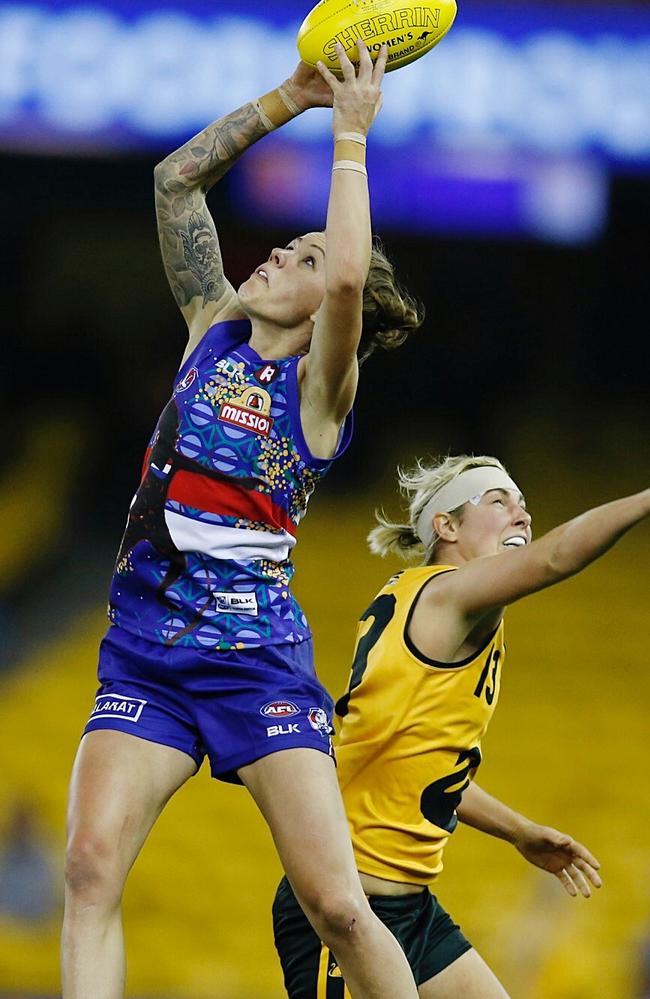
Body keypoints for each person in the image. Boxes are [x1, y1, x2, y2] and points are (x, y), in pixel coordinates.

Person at [61, 42, 425, 999]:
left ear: (321, 313)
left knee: (340, 909)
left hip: (255, 660)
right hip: (144, 651)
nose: (278, 254)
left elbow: (350, 281)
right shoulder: (210, 325)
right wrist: (288, 100)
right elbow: (174, 184)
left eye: (300, 257)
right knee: (90, 868)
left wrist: (349, 137)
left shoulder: (320, 391)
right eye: (287, 244)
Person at [273, 452, 650, 997]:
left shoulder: (431, 606)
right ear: (445, 526)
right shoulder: (447, 593)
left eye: (523, 505)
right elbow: (555, 559)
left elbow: (415, 765)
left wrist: (519, 831)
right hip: (347, 909)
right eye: (499, 502)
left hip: (410, 908)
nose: (522, 516)